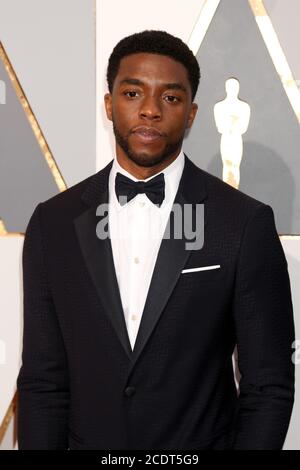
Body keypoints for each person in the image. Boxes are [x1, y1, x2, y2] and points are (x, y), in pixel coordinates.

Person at [17, 30, 295, 450]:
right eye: (132, 93)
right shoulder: (53, 223)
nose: (149, 110)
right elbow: (43, 380)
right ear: (109, 105)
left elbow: (268, 383)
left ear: (192, 113)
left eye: (170, 97)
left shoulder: (242, 223)